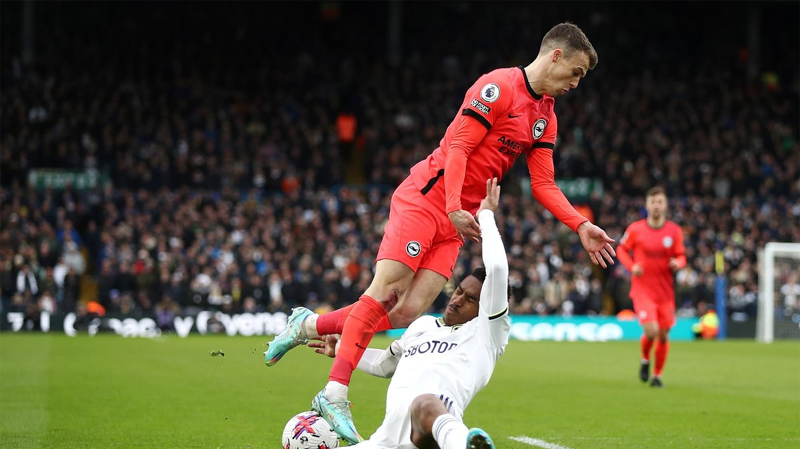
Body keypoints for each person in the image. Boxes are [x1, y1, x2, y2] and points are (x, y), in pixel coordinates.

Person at [265, 22, 616, 443]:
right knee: (386, 290)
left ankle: (308, 325)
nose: (576, 83)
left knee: (405, 312)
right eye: (576, 72)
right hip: (428, 199)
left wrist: (580, 224)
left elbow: (543, 184)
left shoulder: (545, 118)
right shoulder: (498, 86)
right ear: (556, 55)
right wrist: (452, 207)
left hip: (458, 220)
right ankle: (334, 392)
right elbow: (458, 149)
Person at [309, 178, 508, 449]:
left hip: (430, 437)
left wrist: (485, 214)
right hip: (384, 441)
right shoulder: (422, 325)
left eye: (471, 299)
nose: (458, 300)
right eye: (459, 291)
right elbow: (384, 365)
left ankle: (464, 444)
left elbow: (497, 270)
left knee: (426, 403)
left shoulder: (487, 333)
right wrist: (343, 346)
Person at [616, 186, 686, 387]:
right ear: (647, 205)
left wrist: (678, 264)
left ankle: (657, 375)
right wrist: (632, 266)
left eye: (660, 202)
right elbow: (621, 250)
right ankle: (645, 358)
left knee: (663, 335)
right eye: (653, 202)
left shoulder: (674, 231)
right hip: (642, 290)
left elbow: (681, 255)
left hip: (665, 291)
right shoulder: (636, 229)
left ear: (665, 205)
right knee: (652, 331)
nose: (656, 206)